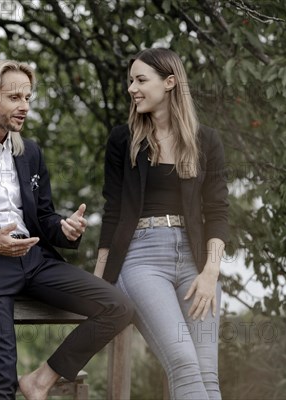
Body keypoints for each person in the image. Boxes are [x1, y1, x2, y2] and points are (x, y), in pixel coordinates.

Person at [0, 59, 133, 400]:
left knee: (119, 307)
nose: (24, 106)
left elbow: (43, 218)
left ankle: (41, 379)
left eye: (28, 97)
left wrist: (64, 228)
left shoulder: (30, 152)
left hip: (35, 261)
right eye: (15, 97)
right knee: (0, 380)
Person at [94, 48, 229, 399]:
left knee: (208, 376)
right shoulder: (123, 141)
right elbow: (112, 211)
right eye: (130, 81)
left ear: (169, 82)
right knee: (183, 364)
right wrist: (100, 278)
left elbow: (217, 210)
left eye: (141, 80)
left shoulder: (206, 141)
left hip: (197, 262)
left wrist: (211, 271)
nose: (132, 89)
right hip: (141, 258)